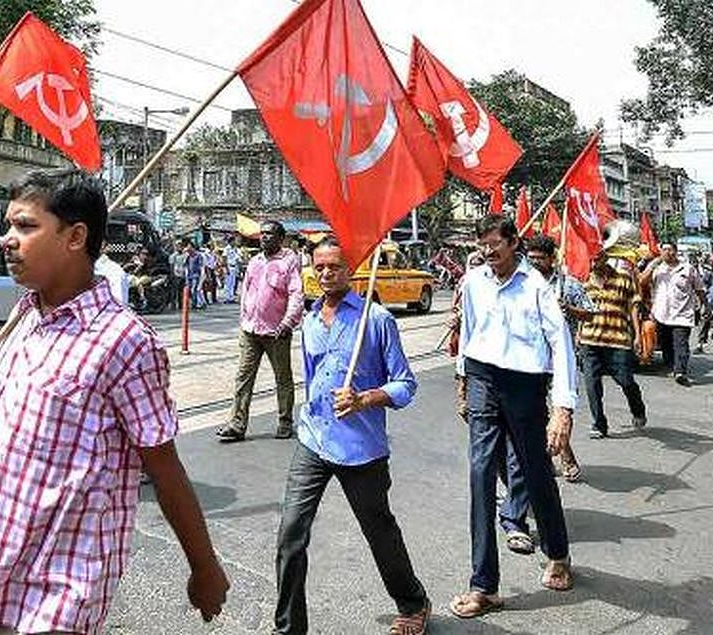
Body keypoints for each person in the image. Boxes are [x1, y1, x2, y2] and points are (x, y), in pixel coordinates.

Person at [0, 170, 229, 634]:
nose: (7, 240)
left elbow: (164, 468)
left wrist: (204, 566)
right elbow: (10, 422)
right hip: (3, 553)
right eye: (9, 226)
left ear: (75, 237)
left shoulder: (124, 341)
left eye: (25, 226)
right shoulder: (25, 316)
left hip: (66, 576)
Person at [274, 235, 430, 635]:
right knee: (292, 532)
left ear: (352, 268)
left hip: (361, 448)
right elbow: (311, 379)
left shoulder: (375, 320)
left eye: (334, 266)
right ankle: (288, 628)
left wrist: (366, 398)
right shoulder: (308, 320)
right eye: (319, 267)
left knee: (379, 530)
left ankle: (413, 602)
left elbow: (405, 384)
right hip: (314, 439)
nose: (326, 274)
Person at [451, 215, 576, 619]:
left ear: (513, 243)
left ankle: (557, 552)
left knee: (535, 470)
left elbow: (561, 345)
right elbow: (468, 334)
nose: (490, 253)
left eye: (496, 245)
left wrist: (563, 408)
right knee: (480, 472)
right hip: (483, 378)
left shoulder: (536, 286)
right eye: (483, 246)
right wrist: (462, 383)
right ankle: (483, 584)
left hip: (525, 385)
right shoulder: (473, 282)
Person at [495, 235, 596, 553]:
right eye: (532, 256)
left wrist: (567, 308)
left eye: (541, 258)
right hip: (519, 373)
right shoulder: (515, 284)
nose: (535, 262)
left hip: (556, 371)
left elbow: (590, 312)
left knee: (532, 444)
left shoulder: (566, 284)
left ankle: (516, 517)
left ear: (553, 258)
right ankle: (524, 494)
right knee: (511, 448)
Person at [216, 221, 303, 442]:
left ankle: (285, 422)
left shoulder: (289, 262)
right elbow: (245, 291)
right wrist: (244, 319)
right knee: (243, 377)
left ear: (281, 238)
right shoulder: (254, 261)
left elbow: (296, 294)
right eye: (262, 234)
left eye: (270, 234)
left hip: (277, 332)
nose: (264, 237)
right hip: (250, 331)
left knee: (283, 379)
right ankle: (237, 423)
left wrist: (288, 322)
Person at [579, 253, 648, 438]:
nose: (594, 263)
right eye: (591, 259)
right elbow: (578, 309)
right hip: (590, 340)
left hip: (618, 339)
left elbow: (634, 305)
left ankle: (637, 408)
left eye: (597, 259)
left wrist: (637, 334)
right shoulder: (583, 280)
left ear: (605, 258)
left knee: (625, 380)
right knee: (592, 385)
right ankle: (599, 424)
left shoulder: (623, 278)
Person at [642, 242, 705, 385]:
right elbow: (642, 282)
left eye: (669, 249)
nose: (667, 252)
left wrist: (704, 305)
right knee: (666, 343)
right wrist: (653, 264)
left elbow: (699, 288)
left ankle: (680, 371)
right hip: (661, 314)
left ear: (675, 252)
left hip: (682, 314)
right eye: (664, 250)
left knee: (680, 343)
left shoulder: (688, 269)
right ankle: (672, 365)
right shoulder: (658, 269)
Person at [185, 239, 206, 309]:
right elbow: (186, 265)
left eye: (190, 247)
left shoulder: (198, 256)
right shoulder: (188, 256)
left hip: (196, 275)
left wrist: (202, 275)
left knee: (195, 289)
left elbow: (201, 266)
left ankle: (196, 303)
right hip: (189, 275)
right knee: (190, 290)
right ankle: (199, 302)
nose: (188, 249)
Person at [169, 240, 188, 310]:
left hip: (183, 275)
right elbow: (171, 266)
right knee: (174, 291)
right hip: (176, 275)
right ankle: (173, 304)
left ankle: (181, 304)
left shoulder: (185, 255)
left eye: (181, 246)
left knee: (181, 291)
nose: (179, 247)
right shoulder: (173, 256)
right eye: (178, 246)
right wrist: (172, 275)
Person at [223, 236, 241, 303]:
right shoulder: (227, 249)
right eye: (234, 241)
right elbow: (224, 258)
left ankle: (231, 297)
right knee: (228, 283)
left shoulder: (235, 249)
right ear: (231, 241)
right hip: (229, 267)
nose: (235, 242)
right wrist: (226, 268)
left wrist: (238, 269)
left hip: (234, 267)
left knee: (233, 283)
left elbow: (237, 259)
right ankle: (227, 298)